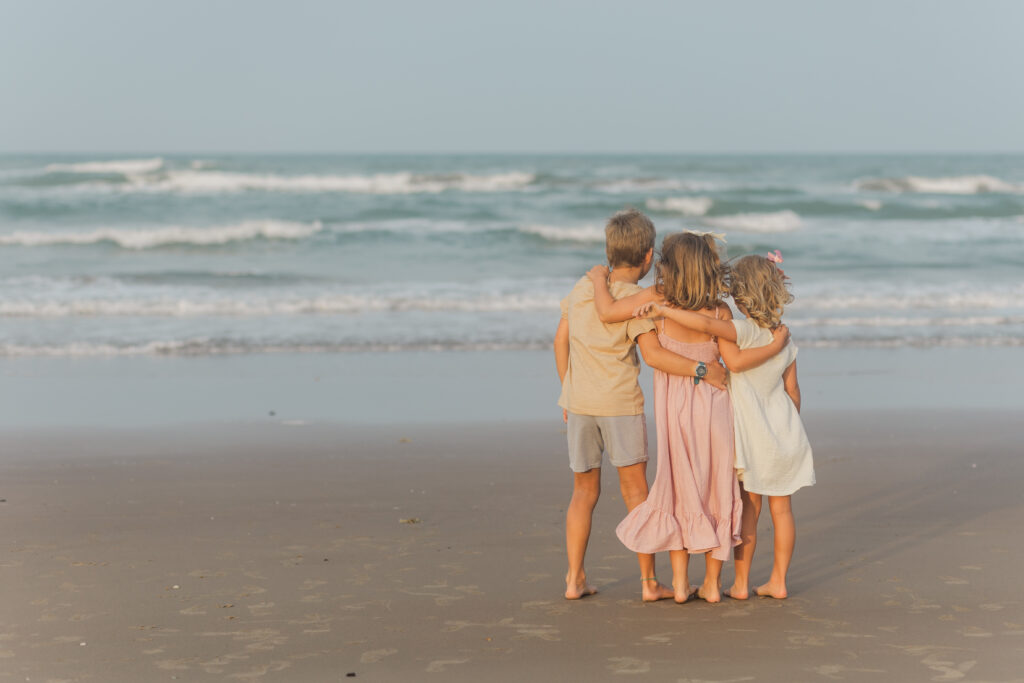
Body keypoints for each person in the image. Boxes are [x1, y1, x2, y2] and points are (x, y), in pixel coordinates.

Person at [588, 232, 788, 603]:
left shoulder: (657, 301)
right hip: (715, 409)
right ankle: (711, 585)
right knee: (717, 486)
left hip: (672, 413)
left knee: (677, 486)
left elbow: (608, 313)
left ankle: (680, 585)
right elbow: (732, 363)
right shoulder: (719, 312)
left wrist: (600, 279)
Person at [554, 210, 726, 602]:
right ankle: (650, 584)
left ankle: (573, 579)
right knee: (637, 494)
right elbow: (652, 356)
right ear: (649, 257)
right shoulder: (638, 302)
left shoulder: (583, 288)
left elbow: (560, 341)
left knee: (583, 492)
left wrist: (566, 390)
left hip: (578, 404)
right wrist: (703, 369)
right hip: (620, 406)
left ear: (608, 251)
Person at [632, 250, 814, 600]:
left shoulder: (740, 331)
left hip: (754, 439)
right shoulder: (787, 341)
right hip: (787, 435)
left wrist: (664, 310)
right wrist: (788, 427)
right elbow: (793, 392)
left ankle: (742, 584)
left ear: (739, 296)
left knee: (749, 509)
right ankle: (778, 581)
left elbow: (712, 336)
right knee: (783, 510)